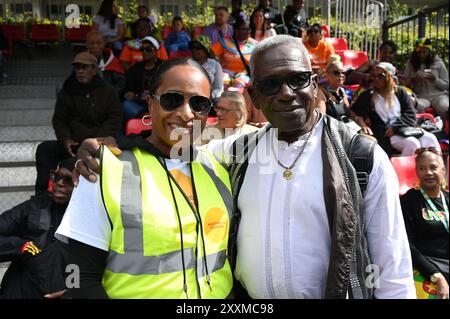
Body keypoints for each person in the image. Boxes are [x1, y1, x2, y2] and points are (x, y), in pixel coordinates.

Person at [75, 36, 416, 299]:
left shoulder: (361, 157)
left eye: (298, 79)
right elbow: (170, 147)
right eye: (270, 85)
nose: (286, 93)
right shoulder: (237, 152)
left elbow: (393, 269)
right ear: (254, 95)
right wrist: (109, 146)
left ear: (314, 82)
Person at [55, 58, 233, 299]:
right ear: (150, 104)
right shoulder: (102, 168)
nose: (186, 114)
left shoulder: (218, 170)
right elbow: (78, 277)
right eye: (172, 100)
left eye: (199, 104)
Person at [34, 52, 122, 195]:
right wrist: (65, 139)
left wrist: (96, 141)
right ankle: (42, 195)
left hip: (98, 145)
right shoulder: (66, 92)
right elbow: (59, 119)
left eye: (84, 67)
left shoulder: (108, 91)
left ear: (94, 70)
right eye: (77, 68)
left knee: (71, 164)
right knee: (45, 149)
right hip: (73, 144)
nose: (80, 71)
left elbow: (114, 118)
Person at [0, 158, 76, 299]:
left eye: (68, 179)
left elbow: (92, 265)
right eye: (57, 176)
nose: (59, 183)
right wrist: (18, 246)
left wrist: (74, 292)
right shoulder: (35, 205)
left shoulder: (89, 216)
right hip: (21, 287)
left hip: (61, 290)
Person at [351, 62, 440, 156]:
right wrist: (362, 120)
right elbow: (353, 110)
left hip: (404, 128)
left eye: (381, 76)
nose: (376, 79)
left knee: (431, 138)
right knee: (412, 143)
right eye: (374, 76)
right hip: (386, 134)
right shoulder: (368, 95)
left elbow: (410, 114)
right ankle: (401, 170)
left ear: (390, 77)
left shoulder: (400, 92)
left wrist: (396, 128)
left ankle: (436, 166)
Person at [400, 147, 449, 299]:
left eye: (433, 167)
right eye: (422, 168)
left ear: (443, 170)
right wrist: (436, 275)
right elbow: (407, 245)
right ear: (416, 171)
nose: (428, 172)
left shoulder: (447, 199)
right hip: (424, 266)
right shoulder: (408, 201)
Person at [120, 36, 162, 126]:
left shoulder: (163, 67)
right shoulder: (136, 67)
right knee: (126, 105)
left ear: (155, 51)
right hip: (139, 103)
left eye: (148, 49)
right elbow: (127, 87)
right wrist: (128, 94)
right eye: (142, 49)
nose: (144, 52)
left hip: (158, 104)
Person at [404, 38, 449, 118]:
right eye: (418, 53)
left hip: (439, 95)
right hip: (421, 96)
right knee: (415, 106)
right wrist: (415, 80)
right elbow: (406, 85)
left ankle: (445, 129)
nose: (421, 55)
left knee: (444, 107)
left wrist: (435, 80)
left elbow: (446, 85)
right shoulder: (410, 63)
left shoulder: (438, 62)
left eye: (424, 52)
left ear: (429, 51)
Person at [211, 18, 257, 90]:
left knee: (238, 86)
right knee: (223, 84)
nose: (248, 32)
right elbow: (212, 56)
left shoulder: (254, 44)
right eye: (244, 29)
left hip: (244, 75)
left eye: (248, 29)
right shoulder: (224, 42)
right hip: (225, 72)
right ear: (236, 30)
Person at [316, 55, 354, 127]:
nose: (341, 75)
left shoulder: (342, 91)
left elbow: (349, 114)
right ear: (327, 75)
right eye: (336, 73)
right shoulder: (321, 92)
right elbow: (320, 120)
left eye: (343, 72)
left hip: (347, 128)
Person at [189, 35, 223, 100]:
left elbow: (219, 88)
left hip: (209, 99)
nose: (194, 50)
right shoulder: (186, 63)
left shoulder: (215, 65)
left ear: (206, 50)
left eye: (198, 48)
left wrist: (210, 97)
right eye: (192, 48)